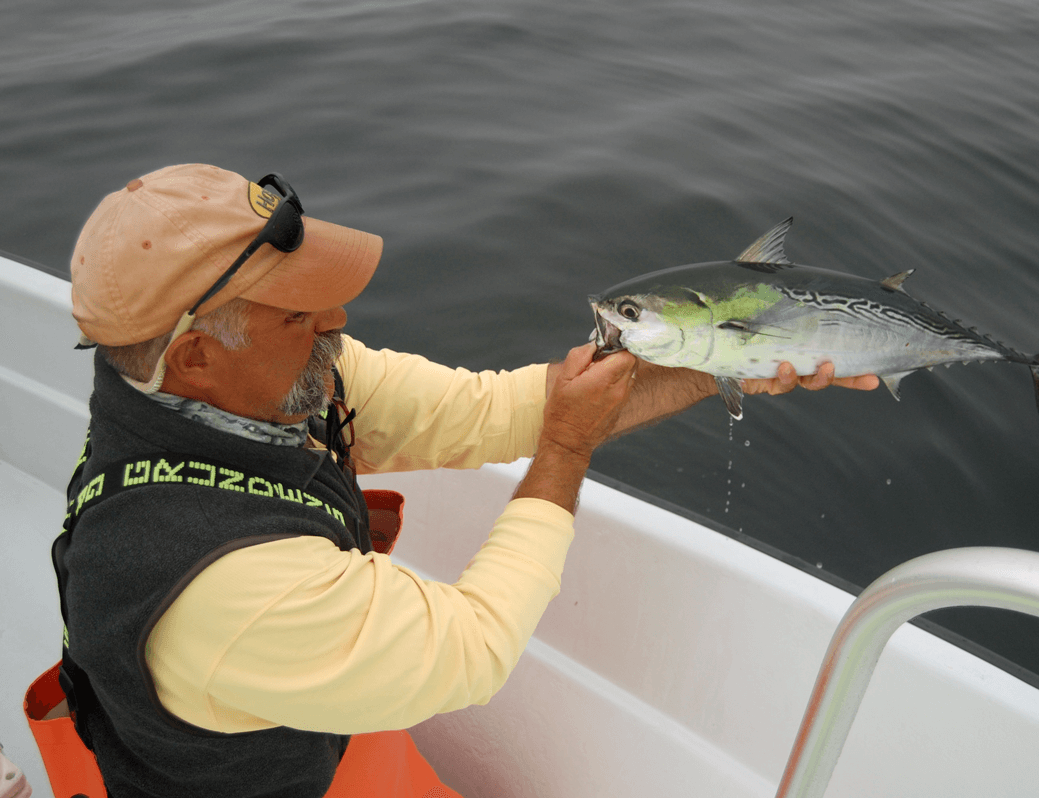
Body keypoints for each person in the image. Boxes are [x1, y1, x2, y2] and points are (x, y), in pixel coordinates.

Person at [50, 163, 877, 798]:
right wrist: (563, 455)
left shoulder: (247, 384)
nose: (337, 324)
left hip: (272, 720)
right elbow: (472, 650)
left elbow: (486, 410)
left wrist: (720, 363)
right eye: (300, 314)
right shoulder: (227, 587)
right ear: (196, 354)